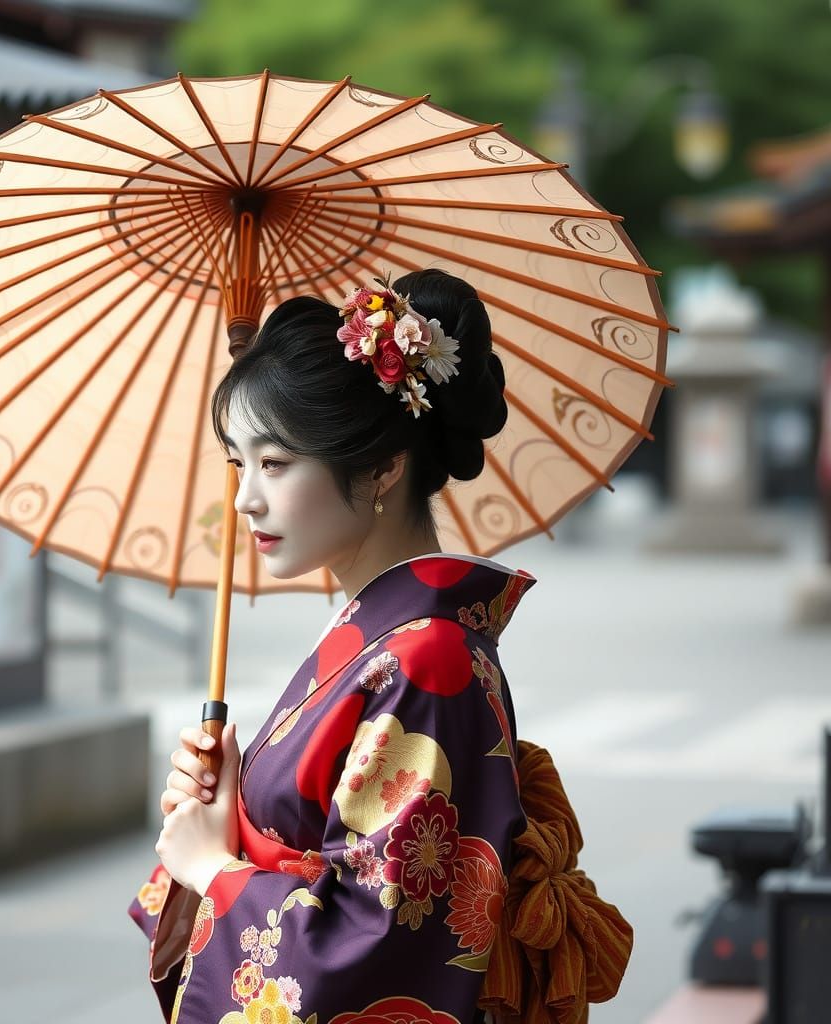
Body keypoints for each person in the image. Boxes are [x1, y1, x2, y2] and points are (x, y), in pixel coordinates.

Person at [128, 269, 632, 1024]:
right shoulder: (384, 639)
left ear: (382, 467)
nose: (245, 499)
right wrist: (222, 809)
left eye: (275, 463)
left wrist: (211, 863)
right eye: (239, 463)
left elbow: (376, 949)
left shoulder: (430, 657)